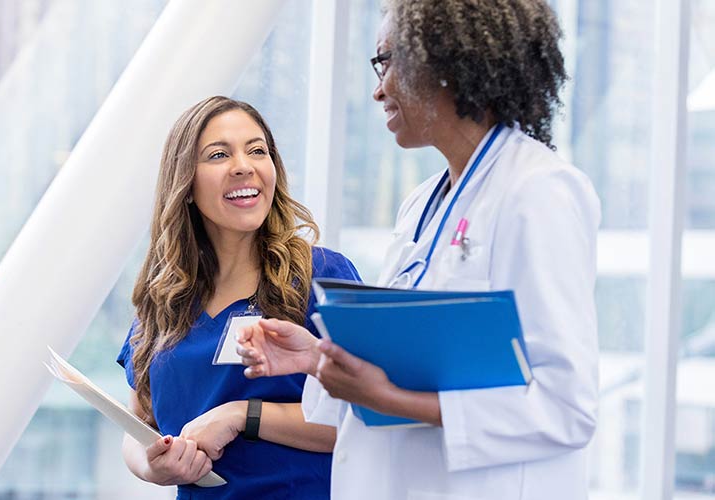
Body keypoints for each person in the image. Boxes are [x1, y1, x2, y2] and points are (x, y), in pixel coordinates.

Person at [236, 1, 601, 499]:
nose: (378, 88)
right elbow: (419, 354)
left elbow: (565, 407)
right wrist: (320, 359)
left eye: (386, 61)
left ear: (447, 60)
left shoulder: (538, 192)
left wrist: (391, 398)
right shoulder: (422, 204)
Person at [116, 96, 361, 499]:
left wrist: (241, 416)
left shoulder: (322, 275)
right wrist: (150, 464)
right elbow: (139, 422)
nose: (244, 166)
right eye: (218, 154)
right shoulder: (166, 298)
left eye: (257, 150)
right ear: (186, 184)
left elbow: (362, 417)